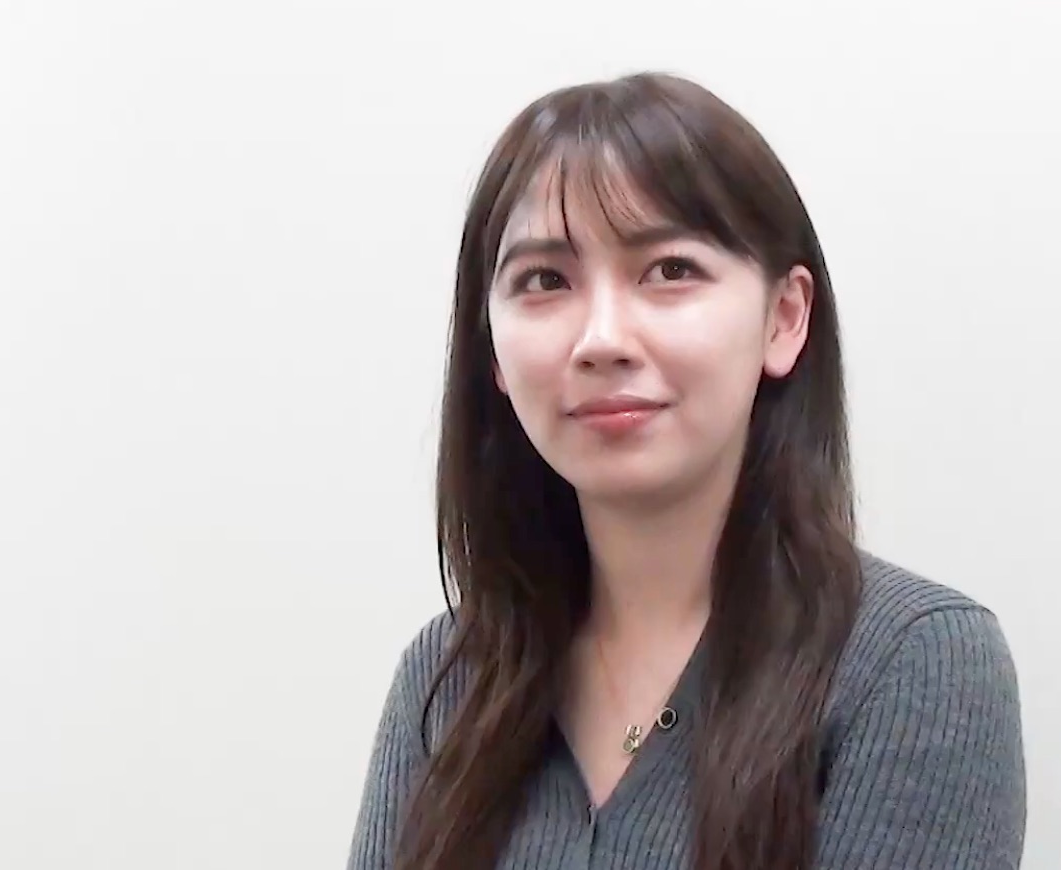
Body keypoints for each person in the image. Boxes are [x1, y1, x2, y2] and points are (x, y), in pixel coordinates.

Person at [347, 72, 1026, 870]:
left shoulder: (913, 662)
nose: (602, 339)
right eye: (545, 281)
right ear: (490, 349)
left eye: (669, 270)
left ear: (783, 318)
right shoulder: (447, 683)